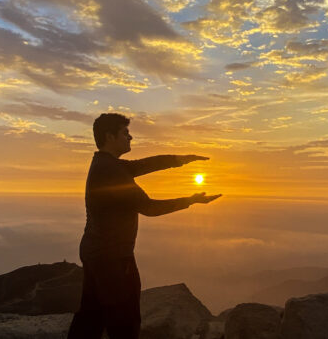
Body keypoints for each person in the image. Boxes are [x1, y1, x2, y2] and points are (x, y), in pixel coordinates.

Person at [67, 113, 221, 339]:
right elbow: (149, 208)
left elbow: (146, 164)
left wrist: (181, 159)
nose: (131, 137)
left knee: (91, 316)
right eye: (125, 133)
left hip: (96, 252)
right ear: (110, 136)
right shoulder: (112, 172)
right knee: (125, 321)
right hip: (113, 258)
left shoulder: (105, 164)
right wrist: (192, 200)